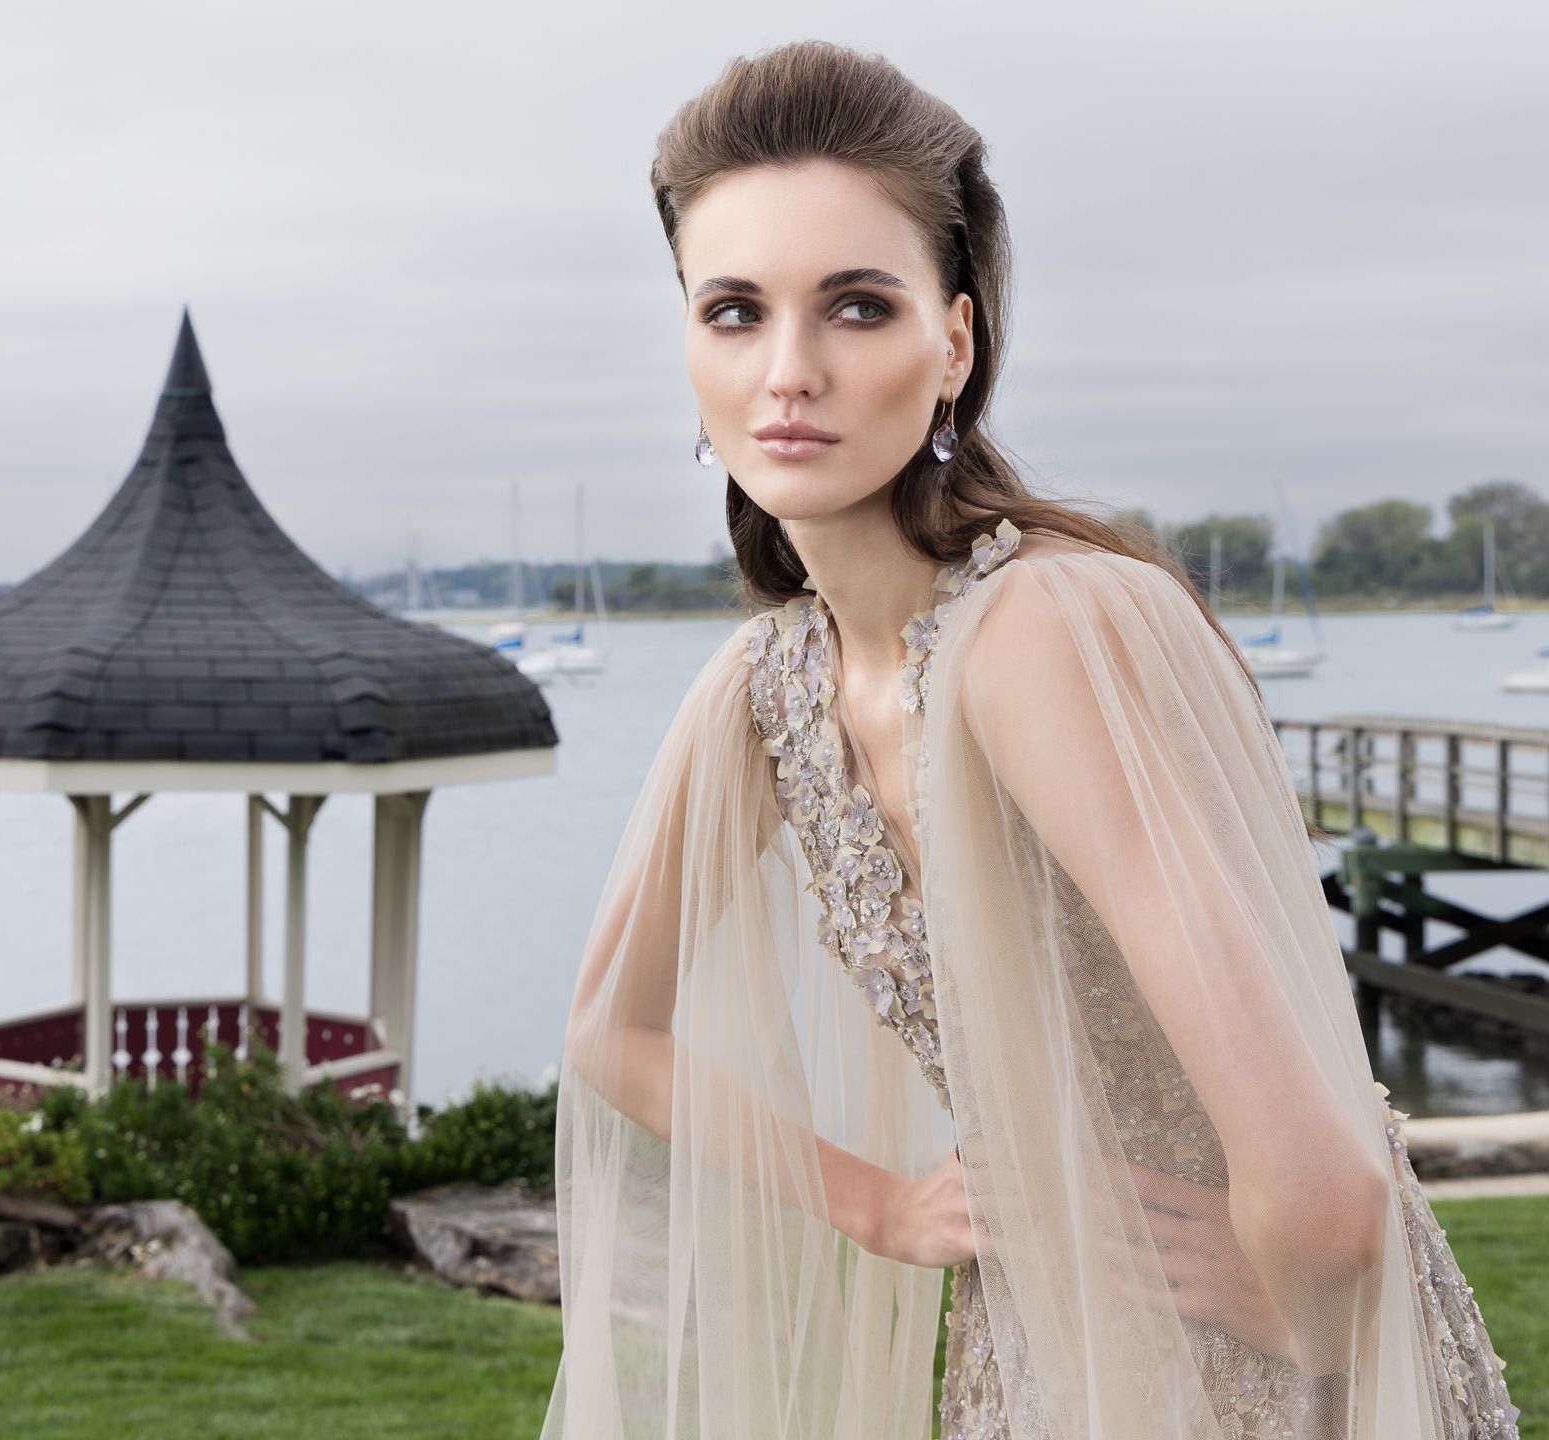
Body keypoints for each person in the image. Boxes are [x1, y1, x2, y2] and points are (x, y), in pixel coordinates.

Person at [539, 39, 1520, 1439]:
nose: (791, 370)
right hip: (1041, 1347)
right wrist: (879, 1203)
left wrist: (1319, 1354)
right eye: (736, 310)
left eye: (857, 307)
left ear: (956, 341)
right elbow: (608, 1033)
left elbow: (1327, 1196)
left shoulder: (1040, 630)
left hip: (1276, 1363)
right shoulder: (759, 696)